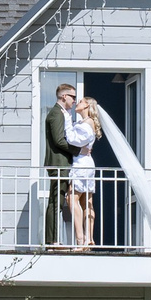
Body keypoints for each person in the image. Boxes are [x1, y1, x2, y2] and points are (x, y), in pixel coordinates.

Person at [43, 81, 79, 245]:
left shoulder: (61, 113)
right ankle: (53, 241)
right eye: (73, 97)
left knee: (55, 200)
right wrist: (78, 150)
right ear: (64, 96)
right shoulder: (57, 113)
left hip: (61, 163)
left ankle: (52, 239)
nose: (74, 101)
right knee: (56, 201)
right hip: (58, 163)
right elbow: (58, 140)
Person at [64, 95, 101, 248]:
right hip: (85, 163)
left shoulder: (86, 124)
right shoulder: (84, 123)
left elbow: (74, 140)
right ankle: (89, 238)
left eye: (80, 101)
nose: (76, 103)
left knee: (71, 199)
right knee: (86, 201)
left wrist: (66, 123)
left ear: (86, 106)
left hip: (82, 165)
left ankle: (81, 238)